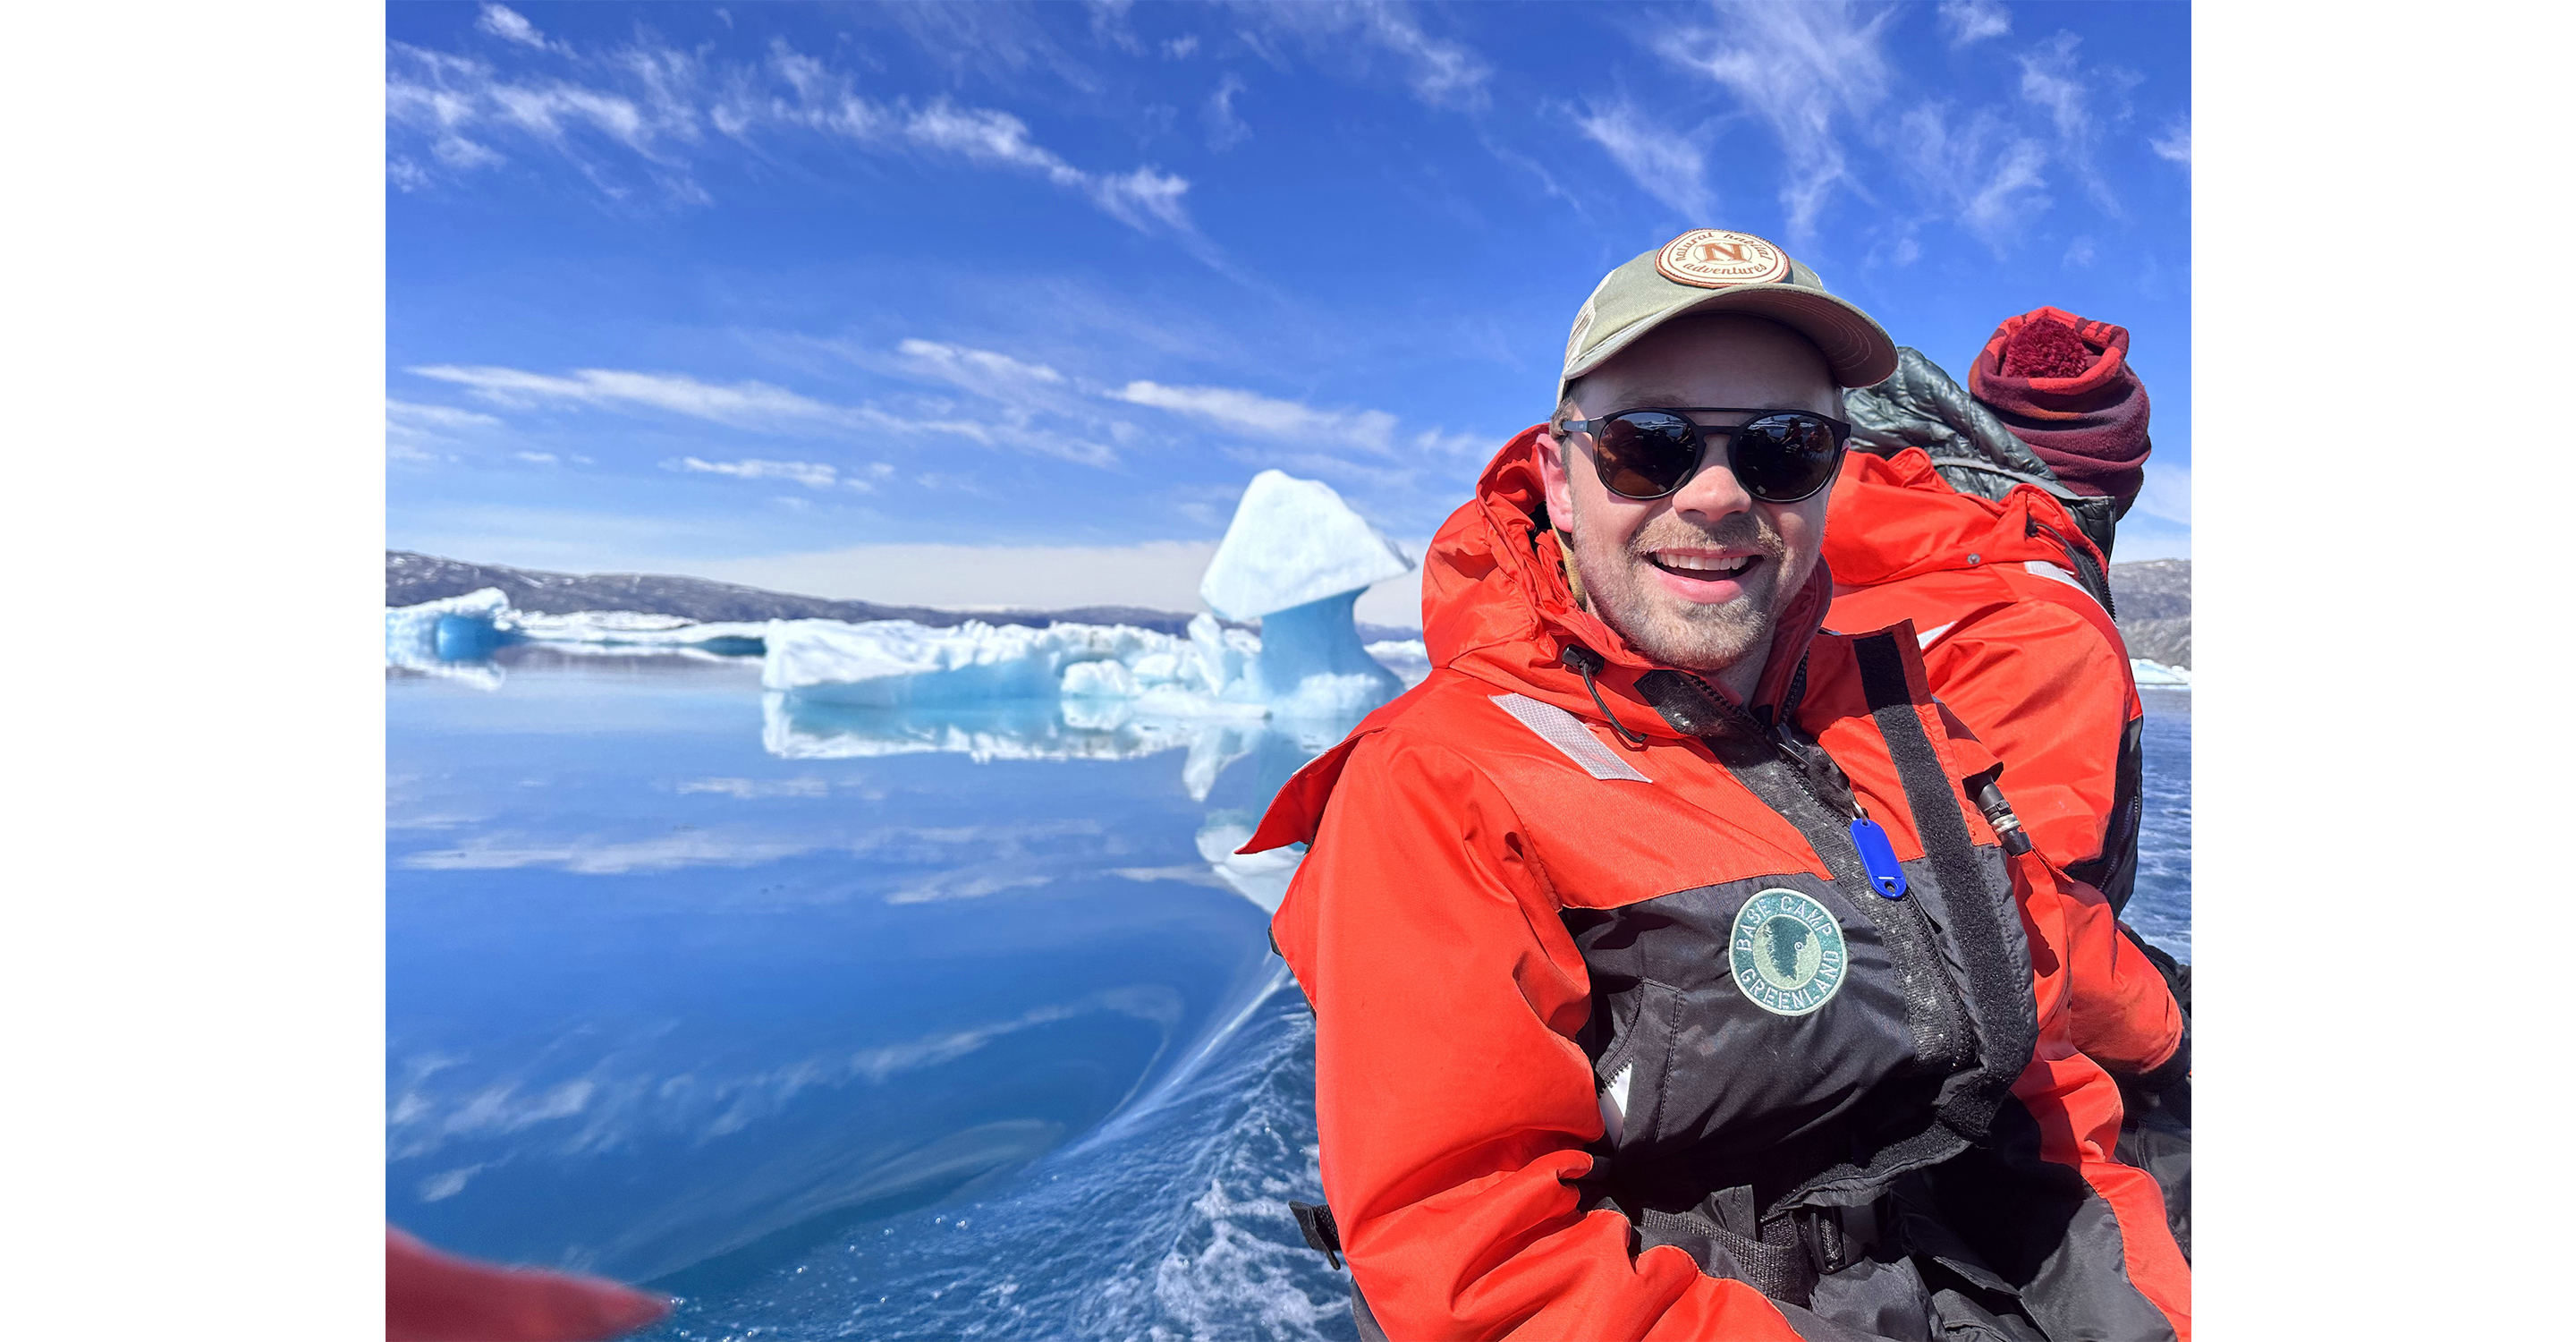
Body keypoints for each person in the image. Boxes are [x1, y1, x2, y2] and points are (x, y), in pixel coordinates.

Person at [1248, 230, 2189, 1340]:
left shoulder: (1894, 718)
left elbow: (2034, 1074)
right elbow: (1484, 1273)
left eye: (1783, 448)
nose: (1714, 495)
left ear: (1835, 472)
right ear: (1558, 476)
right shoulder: (1445, 782)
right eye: (1648, 446)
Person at [1825, 314, 2190, 1250]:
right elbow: (2028, 924)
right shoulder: (2041, 618)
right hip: (1948, 1080)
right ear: (2116, 475)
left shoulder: (1842, 532)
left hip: (1814, 1012)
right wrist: (2173, 1034)